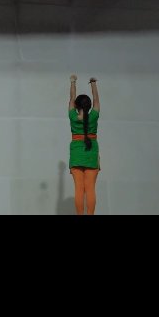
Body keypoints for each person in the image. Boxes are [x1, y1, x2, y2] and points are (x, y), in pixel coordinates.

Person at [69, 75, 100, 216]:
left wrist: (73, 82)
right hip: (91, 153)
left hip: (76, 154)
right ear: (89, 106)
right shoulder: (93, 116)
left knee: (79, 189)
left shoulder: (73, 117)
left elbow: (71, 98)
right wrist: (93, 84)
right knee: (90, 189)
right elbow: (97, 101)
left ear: (76, 105)